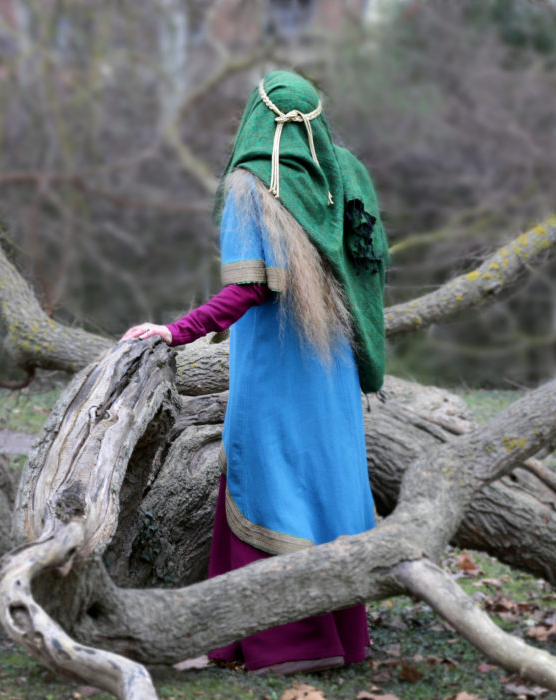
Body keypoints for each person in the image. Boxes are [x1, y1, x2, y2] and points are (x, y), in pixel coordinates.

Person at [121, 71, 388, 675]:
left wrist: (174, 332)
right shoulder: (345, 174)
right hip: (334, 368)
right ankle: (341, 641)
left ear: (254, 119)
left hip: (275, 370)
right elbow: (368, 275)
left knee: (269, 483)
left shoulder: (251, 186)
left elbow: (248, 290)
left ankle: (287, 646)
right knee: (327, 486)